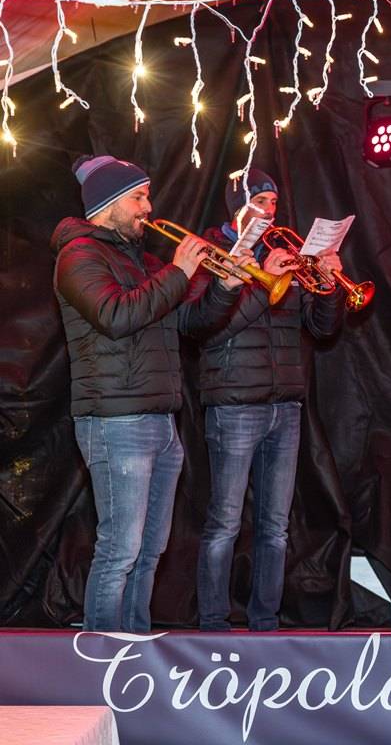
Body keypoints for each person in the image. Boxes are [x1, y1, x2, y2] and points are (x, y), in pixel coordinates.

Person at [52, 154, 245, 632]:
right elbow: (117, 317)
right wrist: (179, 273)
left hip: (160, 418)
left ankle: (133, 650)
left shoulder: (143, 261)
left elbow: (191, 323)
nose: (148, 206)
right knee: (120, 549)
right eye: (138, 196)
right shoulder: (78, 256)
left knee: (150, 551)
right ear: (110, 203)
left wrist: (223, 288)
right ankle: (99, 660)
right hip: (115, 421)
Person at [187, 169, 347, 631]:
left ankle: (266, 624)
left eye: (274, 202)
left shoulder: (289, 254)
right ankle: (214, 624)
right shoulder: (212, 252)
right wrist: (264, 285)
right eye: (260, 200)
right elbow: (206, 329)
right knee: (225, 524)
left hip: (286, 404)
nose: (270, 210)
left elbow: (321, 329)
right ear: (237, 204)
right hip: (235, 402)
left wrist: (330, 286)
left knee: (276, 529)